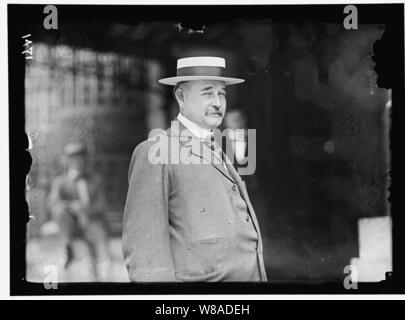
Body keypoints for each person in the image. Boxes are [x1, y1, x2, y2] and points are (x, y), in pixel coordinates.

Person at [122, 56, 267, 282]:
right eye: (208, 93)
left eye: (222, 94)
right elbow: (145, 255)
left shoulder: (218, 148)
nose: (218, 103)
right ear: (181, 97)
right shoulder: (155, 152)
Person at [47, 142, 109, 280]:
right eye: (73, 159)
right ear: (67, 161)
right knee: (59, 211)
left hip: (92, 221)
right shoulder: (60, 181)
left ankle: (95, 270)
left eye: (81, 158)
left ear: (85, 160)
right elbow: (53, 202)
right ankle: (68, 247)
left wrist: (85, 211)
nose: (77, 162)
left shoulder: (96, 180)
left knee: (94, 241)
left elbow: (101, 204)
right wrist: (73, 207)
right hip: (71, 224)